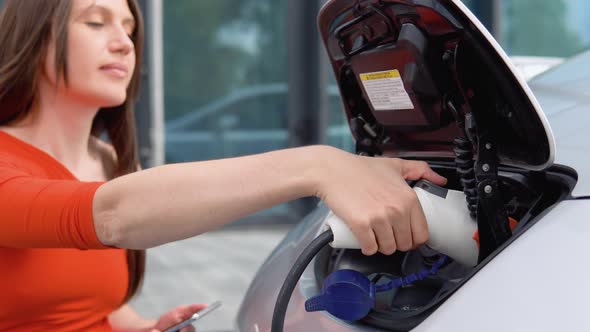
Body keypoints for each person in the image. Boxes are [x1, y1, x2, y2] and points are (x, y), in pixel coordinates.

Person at [0, 0, 447, 331]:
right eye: (95, 22)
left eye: (130, 27)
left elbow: (92, 308)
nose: (123, 43)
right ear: (34, 36)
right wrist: (319, 166)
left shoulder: (106, 160)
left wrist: (144, 327)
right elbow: (111, 216)